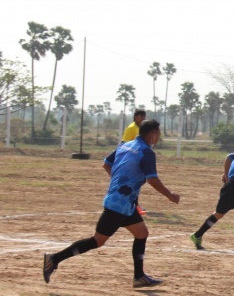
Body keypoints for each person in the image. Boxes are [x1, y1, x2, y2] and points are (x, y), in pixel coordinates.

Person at [43, 119, 180, 287]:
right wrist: (170, 195)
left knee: (141, 233)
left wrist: (120, 181)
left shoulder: (125, 145)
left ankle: (139, 277)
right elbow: (152, 179)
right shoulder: (147, 152)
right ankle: (54, 259)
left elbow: (106, 164)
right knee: (97, 241)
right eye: (158, 134)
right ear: (152, 134)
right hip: (119, 205)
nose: (158, 138)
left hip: (125, 203)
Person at [122, 109, 148, 215]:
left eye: (144, 116)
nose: (143, 118)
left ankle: (133, 204)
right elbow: (124, 143)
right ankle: (134, 205)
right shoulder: (131, 128)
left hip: (138, 159)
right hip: (131, 159)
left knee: (139, 181)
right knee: (135, 182)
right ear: (135, 117)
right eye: (141, 116)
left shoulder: (141, 128)